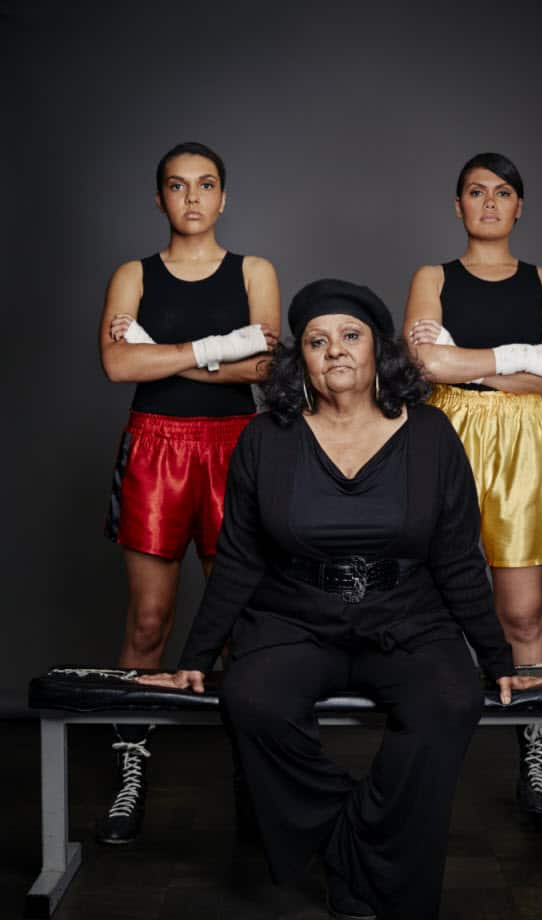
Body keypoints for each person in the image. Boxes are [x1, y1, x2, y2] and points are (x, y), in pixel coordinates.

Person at [138, 279, 542, 920]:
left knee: (450, 701)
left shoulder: (431, 435)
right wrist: (195, 654)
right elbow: (239, 558)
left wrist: (495, 657)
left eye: (349, 336)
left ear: (376, 350)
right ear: (299, 358)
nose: (334, 352)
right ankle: (351, 844)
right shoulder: (264, 439)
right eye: (316, 341)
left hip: (408, 618)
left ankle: (347, 847)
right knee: (252, 700)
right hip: (295, 619)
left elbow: (457, 557)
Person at [97, 141, 280, 844]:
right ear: (159, 199)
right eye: (177, 187)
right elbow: (117, 364)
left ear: (223, 197)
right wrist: (219, 348)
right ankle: (130, 770)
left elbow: (265, 365)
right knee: (149, 621)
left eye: (205, 185)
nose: (192, 198)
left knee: (243, 619)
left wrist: (167, 354)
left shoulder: (254, 270)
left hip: (238, 449)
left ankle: (251, 778)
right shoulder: (132, 273)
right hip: (155, 447)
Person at [403, 152, 542, 819]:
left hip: (522, 442)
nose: (488, 202)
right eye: (475, 192)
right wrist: (515, 360)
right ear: (457, 205)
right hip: (444, 435)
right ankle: (424, 752)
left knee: (522, 613)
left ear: (518, 205)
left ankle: (533, 753)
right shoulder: (431, 275)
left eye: (501, 192)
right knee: (430, 603)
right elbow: (420, 365)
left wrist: (462, 364)